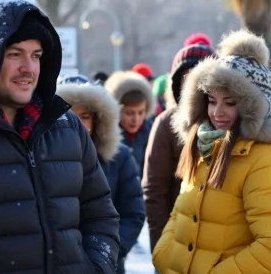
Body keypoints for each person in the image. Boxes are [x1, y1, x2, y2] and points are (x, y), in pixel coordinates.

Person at [0, 0, 119, 273]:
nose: (29, 68)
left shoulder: (66, 126)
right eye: (14, 54)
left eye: (36, 56)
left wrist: (97, 267)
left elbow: (100, 212)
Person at [153, 29, 271, 273]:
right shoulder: (202, 146)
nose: (217, 112)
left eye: (230, 102)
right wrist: (163, 258)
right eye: (211, 100)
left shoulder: (262, 160)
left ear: (253, 107)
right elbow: (180, 215)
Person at [56, 74, 145, 273]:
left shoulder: (119, 157)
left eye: (85, 116)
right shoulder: (43, 157)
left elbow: (133, 213)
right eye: (70, 113)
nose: (77, 123)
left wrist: (107, 253)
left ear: (97, 120)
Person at [142, 42, 214, 254]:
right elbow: (154, 190)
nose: (193, 86)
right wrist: (163, 246)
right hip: (178, 241)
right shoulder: (167, 123)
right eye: (186, 79)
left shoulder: (227, 122)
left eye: (200, 78)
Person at [105, 71, 156, 179]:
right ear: (117, 110)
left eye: (141, 112)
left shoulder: (152, 131)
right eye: (129, 113)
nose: (135, 119)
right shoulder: (107, 134)